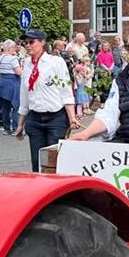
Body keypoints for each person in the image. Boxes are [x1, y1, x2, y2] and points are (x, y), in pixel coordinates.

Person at [16, 28, 78, 171]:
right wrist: (20, 123)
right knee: (37, 162)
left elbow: (65, 91)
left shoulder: (55, 62)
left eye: (31, 42)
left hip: (55, 118)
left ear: (42, 42)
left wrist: (72, 117)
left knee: (54, 162)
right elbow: (24, 95)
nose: (28, 46)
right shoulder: (27, 64)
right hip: (35, 118)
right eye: (26, 43)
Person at [0, 40, 21, 135]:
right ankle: (15, 128)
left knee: (5, 107)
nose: (15, 49)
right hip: (12, 83)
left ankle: (6, 128)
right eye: (13, 47)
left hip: (2, 82)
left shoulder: (0, 58)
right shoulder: (13, 59)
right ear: (10, 48)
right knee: (16, 106)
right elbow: (18, 72)